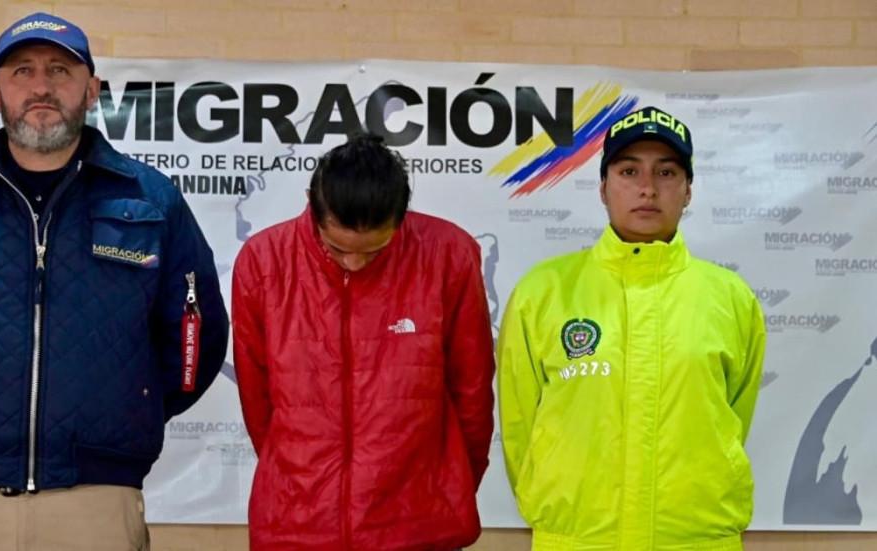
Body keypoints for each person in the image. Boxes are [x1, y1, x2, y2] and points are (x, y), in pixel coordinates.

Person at [0, 12, 228, 550]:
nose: (40, 86)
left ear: (93, 89)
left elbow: (195, 341)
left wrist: (130, 403)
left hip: (96, 502)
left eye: (60, 71)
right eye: (22, 71)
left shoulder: (151, 202)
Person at [497, 107, 766, 550]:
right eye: (628, 170)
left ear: (688, 190)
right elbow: (520, 422)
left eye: (666, 172)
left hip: (696, 540)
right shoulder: (543, 293)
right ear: (603, 188)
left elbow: (734, 419)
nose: (647, 188)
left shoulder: (730, 297)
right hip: (578, 540)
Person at [232, 134, 495, 550]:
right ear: (312, 206)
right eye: (337, 249)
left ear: (401, 216)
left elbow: (473, 392)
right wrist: (303, 483)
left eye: (375, 251)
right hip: (297, 525)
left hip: (419, 525)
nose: (354, 262)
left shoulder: (449, 254)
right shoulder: (264, 261)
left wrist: (443, 487)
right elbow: (258, 400)